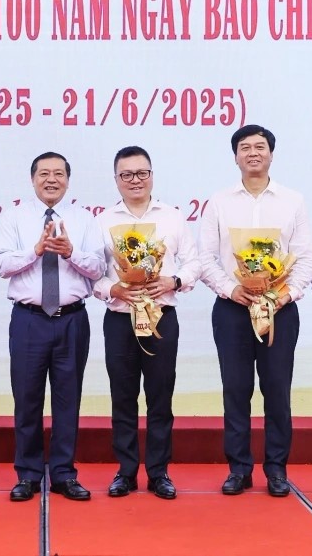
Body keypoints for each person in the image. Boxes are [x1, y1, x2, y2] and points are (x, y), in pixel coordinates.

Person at [199, 124, 312, 497]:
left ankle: (277, 469)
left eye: (260, 147)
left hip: (279, 310)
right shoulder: (219, 202)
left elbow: (307, 257)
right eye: (245, 147)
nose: (253, 153)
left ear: (271, 154)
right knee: (236, 390)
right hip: (232, 309)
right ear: (235, 156)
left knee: (277, 390)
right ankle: (238, 469)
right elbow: (205, 257)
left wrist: (288, 294)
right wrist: (230, 289)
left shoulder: (292, 201)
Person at [0, 152, 106, 502]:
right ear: (32, 179)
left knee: (67, 400)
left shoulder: (84, 219)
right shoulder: (13, 217)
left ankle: (63, 474)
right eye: (44, 173)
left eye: (59, 174)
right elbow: (1, 265)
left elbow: (99, 268)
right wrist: (36, 250)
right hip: (29, 321)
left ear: (68, 181)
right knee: (27, 399)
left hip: (72, 319)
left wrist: (71, 252)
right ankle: (27, 475)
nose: (51, 180)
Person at [93, 146, 200, 500]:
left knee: (160, 396)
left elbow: (194, 263)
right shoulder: (103, 221)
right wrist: (113, 289)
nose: (135, 180)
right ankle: (125, 472)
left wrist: (173, 281)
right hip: (119, 319)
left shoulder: (172, 217)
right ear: (116, 180)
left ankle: (158, 472)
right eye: (127, 175)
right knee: (123, 397)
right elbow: (91, 273)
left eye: (141, 173)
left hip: (161, 319)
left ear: (152, 175)